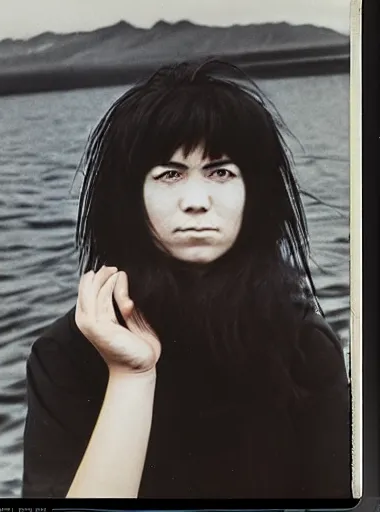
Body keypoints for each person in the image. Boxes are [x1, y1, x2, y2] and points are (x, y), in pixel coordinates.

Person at [21, 59, 351, 499]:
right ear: (129, 198)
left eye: (221, 172)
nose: (196, 201)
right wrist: (131, 376)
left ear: (255, 194)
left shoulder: (305, 348)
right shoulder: (65, 356)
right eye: (170, 175)